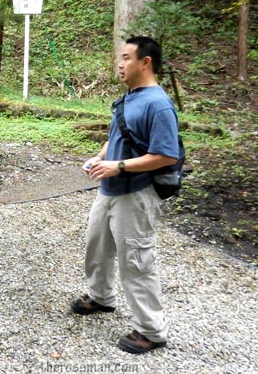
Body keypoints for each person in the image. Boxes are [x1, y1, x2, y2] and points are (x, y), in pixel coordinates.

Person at [70, 36, 180, 354]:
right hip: (110, 189)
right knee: (97, 245)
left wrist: (118, 166)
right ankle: (101, 297)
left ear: (145, 62)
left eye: (126, 58)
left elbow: (166, 155)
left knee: (136, 261)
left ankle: (151, 330)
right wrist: (100, 157)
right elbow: (117, 136)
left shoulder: (158, 105)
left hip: (136, 192)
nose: (120, 64)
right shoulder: (129, 97)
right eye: (120, 58)